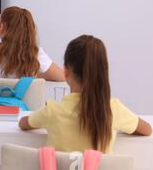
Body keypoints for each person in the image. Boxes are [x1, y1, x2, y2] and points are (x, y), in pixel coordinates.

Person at [19, 35, 152, 153]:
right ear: (103, 73)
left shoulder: (52, 111)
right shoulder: (113, 110)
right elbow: (147, 130)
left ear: (66, 72)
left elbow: (23, 123)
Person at [0, 6, 64, 81]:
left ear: (1, 27)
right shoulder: (36, 54)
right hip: (27, 108)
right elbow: (62, 77)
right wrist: (37, 75)